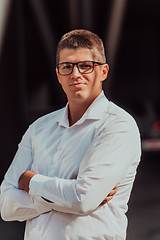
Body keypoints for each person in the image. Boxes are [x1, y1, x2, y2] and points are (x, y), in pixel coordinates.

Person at [0, 29, 141, 240]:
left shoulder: (118, 125)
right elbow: (6, 206)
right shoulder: (39, 128)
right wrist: (64, 194)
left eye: (85, 66)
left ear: (103, 72)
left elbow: (82, 199)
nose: (75, 74)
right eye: (67, 67)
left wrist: (31, 182)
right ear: (58, 75)